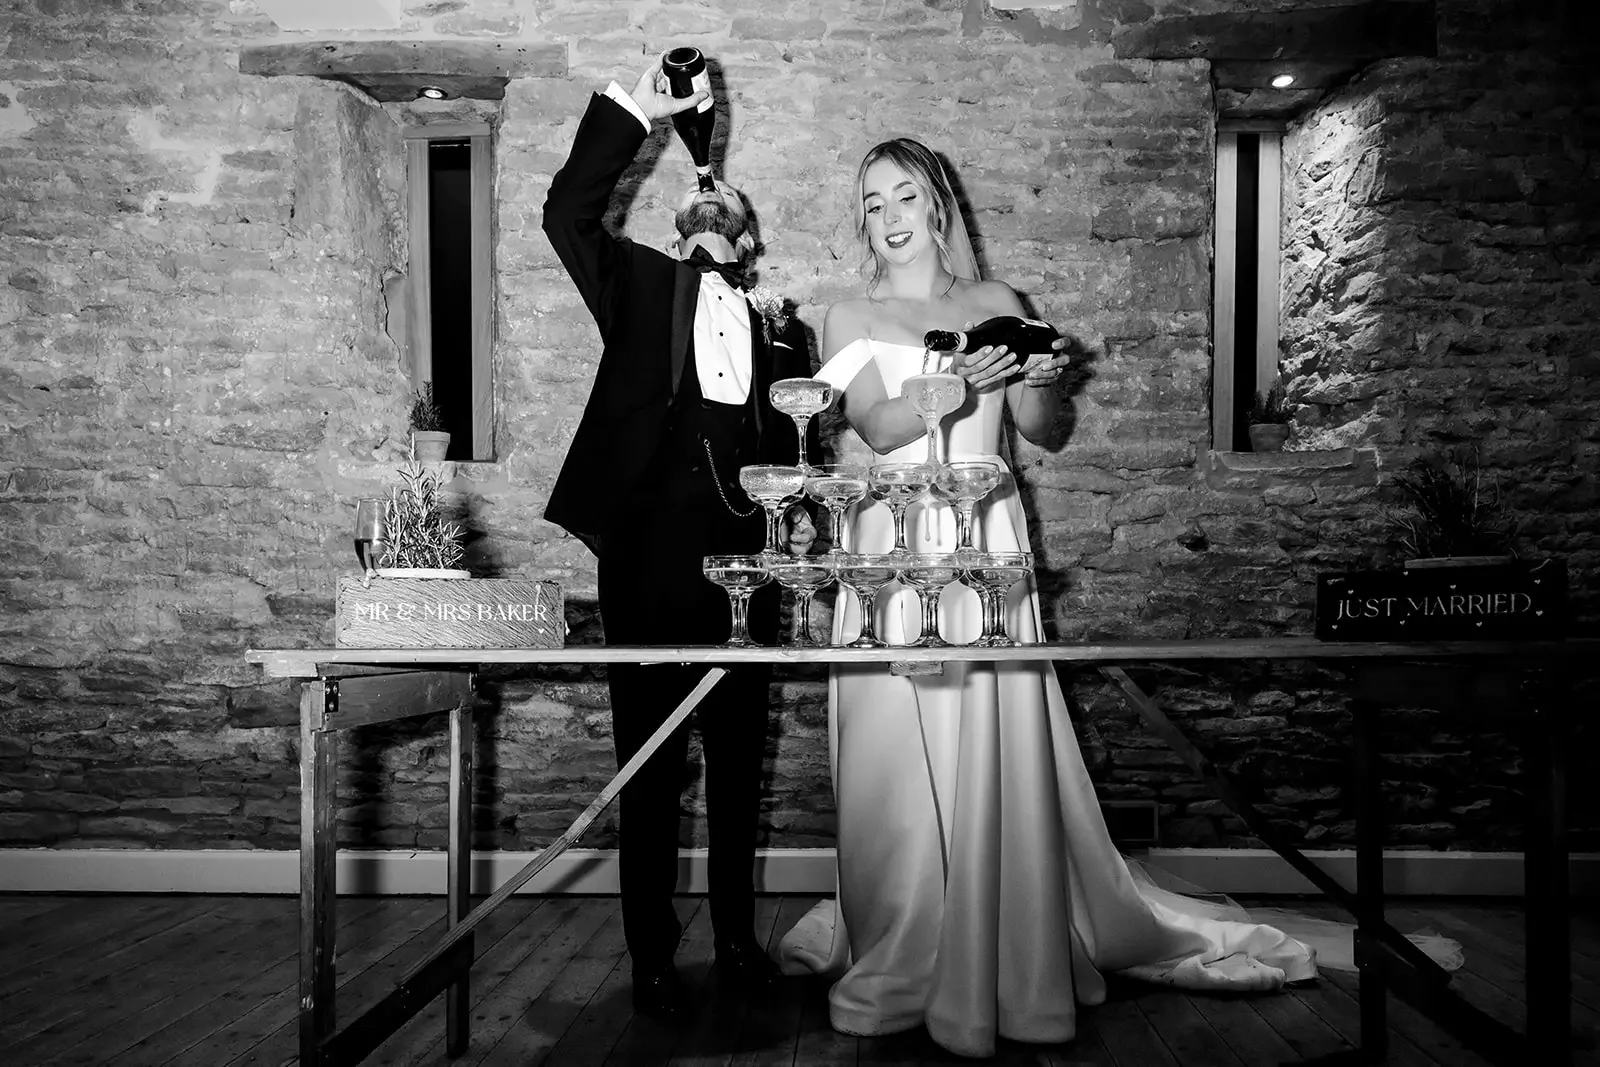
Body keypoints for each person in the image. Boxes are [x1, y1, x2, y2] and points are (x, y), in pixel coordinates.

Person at [775, 137, 1319, 1058]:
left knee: (992, 733)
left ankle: (1006, 940)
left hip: (988, 534)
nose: (891, 216)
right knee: (890, 749)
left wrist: (1039, 380)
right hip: (894, 538)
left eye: (905, 195)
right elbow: (877, 425)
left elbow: (1041, 429)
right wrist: (954, 381)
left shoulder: (999, 303)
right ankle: (904, 938)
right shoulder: (849, 314)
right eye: (873, 202)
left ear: (938, 204)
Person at [542, 56, 815, 1022]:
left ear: (749, 243)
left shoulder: (788, 336)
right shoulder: (639, 284)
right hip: (648, 565)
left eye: (728, 205)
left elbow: (797, 460)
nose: (712, 201)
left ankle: (736, 937)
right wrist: (643, 114)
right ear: (676, 231)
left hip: (748, 573)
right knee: (649, 767)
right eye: (701, 202)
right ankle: (651, 954)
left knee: (739, 766)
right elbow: (566, 213)